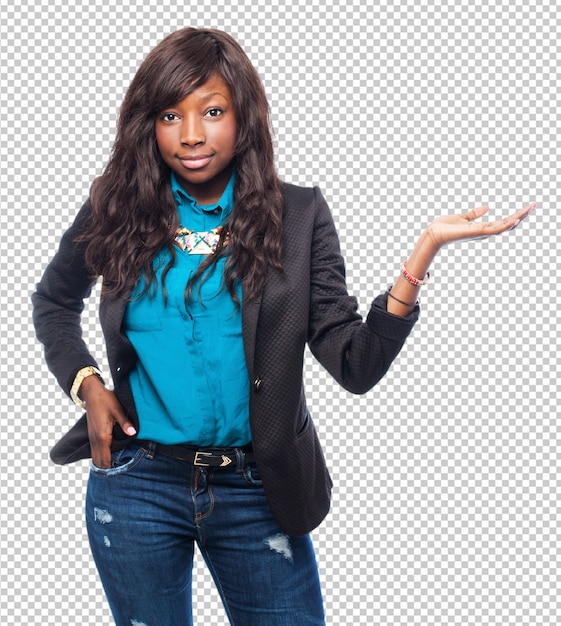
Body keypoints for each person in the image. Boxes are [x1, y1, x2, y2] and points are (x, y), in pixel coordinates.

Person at [32, 27, 535, 626]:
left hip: (257, 487)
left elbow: (355, 364)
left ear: (244, 116)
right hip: (137, 483)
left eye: (212, 111)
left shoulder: (297, 216)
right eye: (171, 114)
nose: (191, 134)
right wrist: (87, 384)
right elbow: (53, 301)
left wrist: (422, 253)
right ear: (149, 124)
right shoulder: (115, 206)